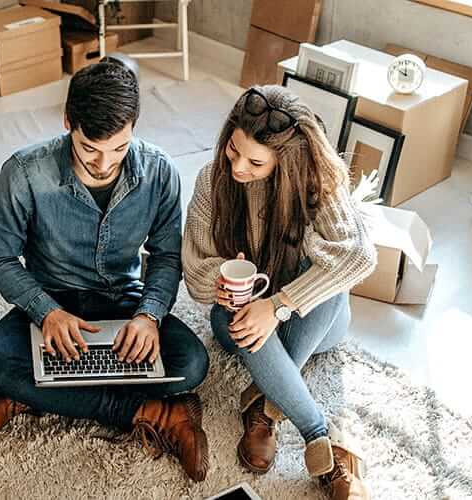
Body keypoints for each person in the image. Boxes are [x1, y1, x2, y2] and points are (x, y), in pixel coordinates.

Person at [0, 58, 210, 482]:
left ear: (134, 127)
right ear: (69, 122)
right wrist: (46, 311)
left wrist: (148, 316)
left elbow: (165, 256)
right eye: (90, 149)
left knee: (192, 363)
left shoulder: (159, 171)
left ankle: (39, 397)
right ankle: (152, 412)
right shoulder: (23, 172)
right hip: (52, 302)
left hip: (124, 302)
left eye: (119, 149)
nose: (104, 163)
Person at [182, 85, 378, 498]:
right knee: (238, 314)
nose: (237, 167)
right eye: (233, 150)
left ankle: (271, 402)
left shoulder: (318, 182)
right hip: (238, 318)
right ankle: (314, 432)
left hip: (318, 322)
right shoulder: (211, 180)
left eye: (255, 161)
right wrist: (226, 280)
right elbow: (195, 267)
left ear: (285, 161)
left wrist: (278, 305)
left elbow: (359, 257)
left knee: (328, 279)